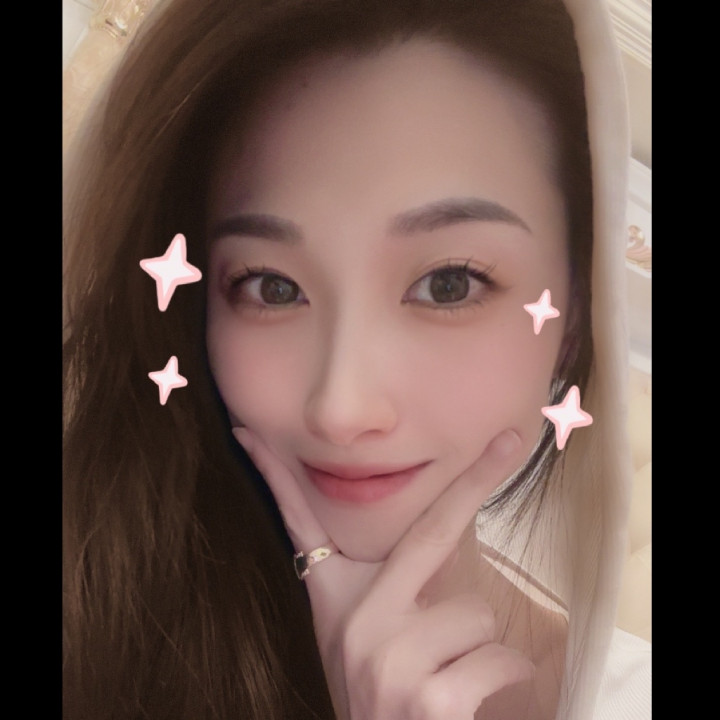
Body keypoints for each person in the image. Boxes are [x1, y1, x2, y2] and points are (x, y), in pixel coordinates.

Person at [62, 0, 650, 718]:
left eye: (449, 284)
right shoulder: (97, 599)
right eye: (271, 287)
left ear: (578, 312)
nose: (341, 410)